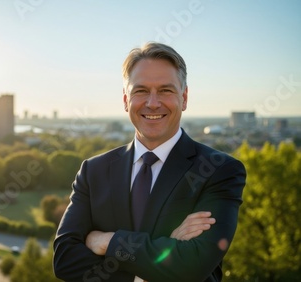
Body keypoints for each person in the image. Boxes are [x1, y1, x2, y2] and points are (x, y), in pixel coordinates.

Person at [53, 42, 246, 282]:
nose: (153, 103)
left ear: (184, 98)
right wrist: (156, 262)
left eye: (165, 90)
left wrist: (106, 241)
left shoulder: (220, 170)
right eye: (141, 91)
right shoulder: (93, 171)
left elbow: (193, 265)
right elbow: (65, 259)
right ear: (126, 100)